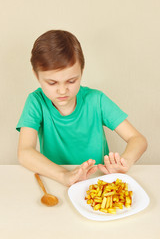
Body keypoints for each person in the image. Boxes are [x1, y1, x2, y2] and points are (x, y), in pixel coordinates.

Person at [16, 30, 147, 187]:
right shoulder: (35, 102)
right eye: (52, 83)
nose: (63, 90)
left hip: (97, 182)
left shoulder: (96, 100)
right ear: (37, 76)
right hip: (56, 181)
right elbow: (25, 152)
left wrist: (125, 160)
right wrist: (64, 176)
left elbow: (138, 140)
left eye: (71, 81)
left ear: (81, 72)